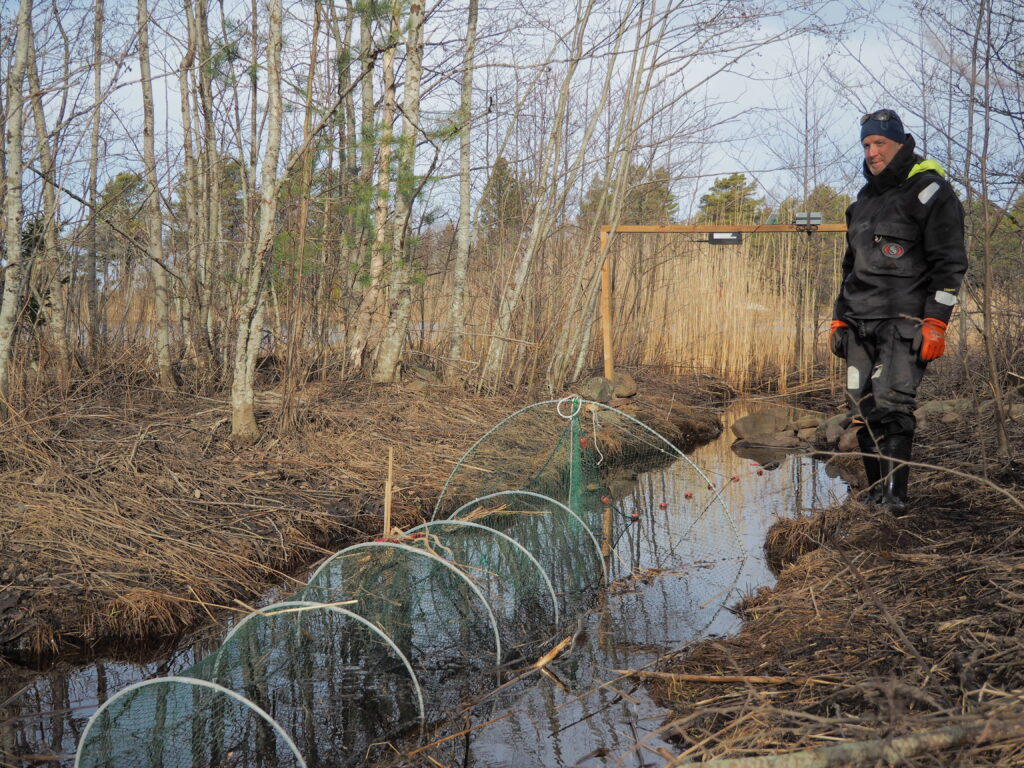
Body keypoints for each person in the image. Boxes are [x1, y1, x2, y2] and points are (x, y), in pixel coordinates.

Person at [829, 109, 968, 511]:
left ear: (902, 144)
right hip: (858, 323)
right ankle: (875, 493)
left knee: (891, 404)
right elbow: (849, 267)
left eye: (880, 144)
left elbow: (950, 264)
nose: (872, 152)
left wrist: (936, 322)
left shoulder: (929, 192)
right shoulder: (863, 201)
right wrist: (839, 316)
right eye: (867, 145)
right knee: (863, 410)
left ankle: (896, 499)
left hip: (904, 322)